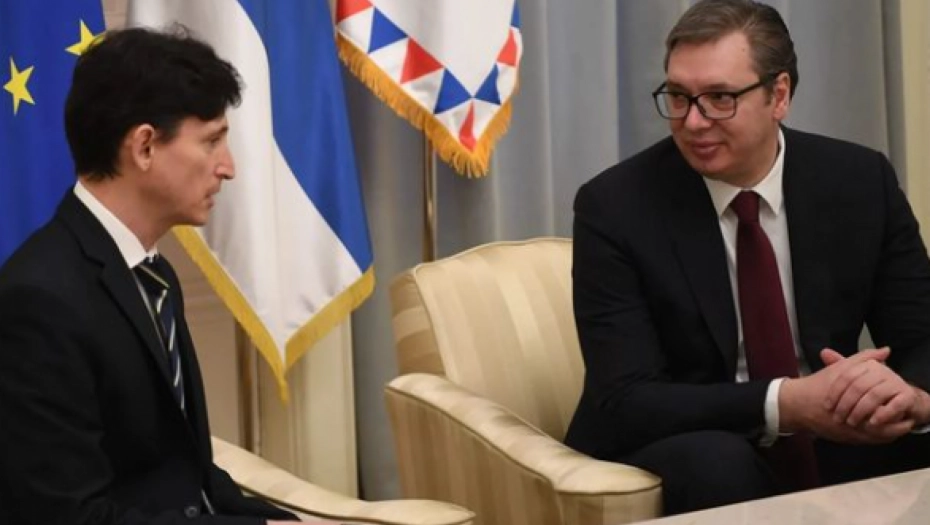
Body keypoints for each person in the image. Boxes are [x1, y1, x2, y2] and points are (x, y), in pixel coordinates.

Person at [565, 0, 930, 515]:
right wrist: (788, 403)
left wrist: (911, 397)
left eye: (719, 98)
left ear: (778, 95)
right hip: (690, 435)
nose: (693, 122)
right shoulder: (615, 206)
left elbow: (921, 336)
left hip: (832, 433)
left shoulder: (859, 180)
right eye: (678, 97)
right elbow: (626, 398)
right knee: (718, 463)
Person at [0, 27, 337, 525]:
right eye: (212, 142)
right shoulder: (40, 300)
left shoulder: (153, 274)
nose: (228, 168)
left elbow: (188, 479)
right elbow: (66, 516)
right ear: (144, 147)